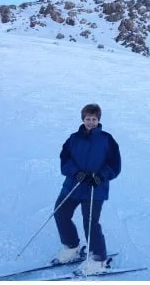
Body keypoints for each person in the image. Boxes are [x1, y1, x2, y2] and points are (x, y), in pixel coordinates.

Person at [53, 104, 121, 268]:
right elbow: (65, 159)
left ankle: (98, 260)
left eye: (94, 119)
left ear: (99, 120)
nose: (91, 122)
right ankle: (72, 247)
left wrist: (101, 176)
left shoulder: (107, 139)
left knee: (90, 222)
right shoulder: (73, 139)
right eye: (87, 119)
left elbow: (114, 164)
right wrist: (75, 173)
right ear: (82, 119)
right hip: (73, 185)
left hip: (95, 189)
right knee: (60, 213)